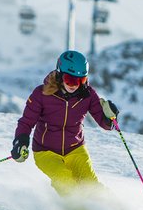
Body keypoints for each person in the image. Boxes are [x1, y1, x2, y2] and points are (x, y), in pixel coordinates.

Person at [11, 50, 119, 198]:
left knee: (90, 185)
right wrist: (20, 141)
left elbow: (106, 125)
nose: (74, 85)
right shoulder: (41, 94)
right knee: (65, 180)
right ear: (60, 74)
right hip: (46, 152)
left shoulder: (87, 95)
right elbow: (26, 122)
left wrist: (110, 118)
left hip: (76, 149)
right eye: (70, 79)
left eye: (80, 80)